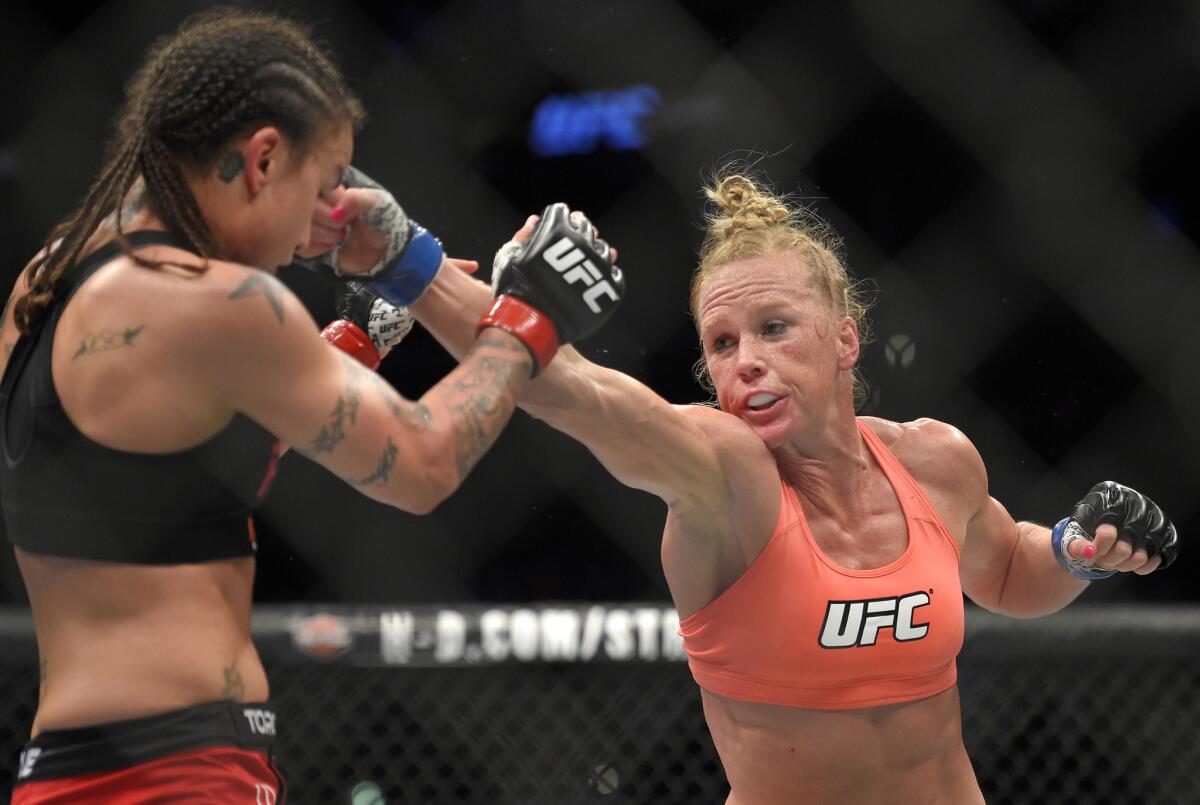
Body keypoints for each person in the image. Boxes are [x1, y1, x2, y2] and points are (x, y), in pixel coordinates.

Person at [0, 9, 621, 803]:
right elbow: (421, 463)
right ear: (261, 159)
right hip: (178, 774)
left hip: (68, 769)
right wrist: (531, 315)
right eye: (325, 184)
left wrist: (361, 327)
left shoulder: (51, 279)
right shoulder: (220, 304)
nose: (318, 226)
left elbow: (172, 457)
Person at [398, 172, 1179, 804]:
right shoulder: (724, 479)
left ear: (846, 338)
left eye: (775, 327)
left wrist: (1080, 549)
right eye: (723, 343)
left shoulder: (936, 461)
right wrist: (407, 260)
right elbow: (576, 390)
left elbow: (1008, 568)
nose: (746, 360)